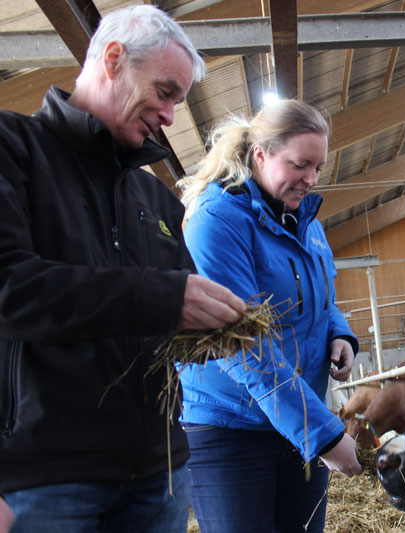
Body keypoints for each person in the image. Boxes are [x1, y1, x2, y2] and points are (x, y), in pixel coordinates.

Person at [0, 5, 247, 531]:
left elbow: (172, 307)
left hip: (158, 473)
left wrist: (215, 327)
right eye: (164, 93)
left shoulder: (152, 197)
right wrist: (164, 298)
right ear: (113, 59)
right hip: (44, 477)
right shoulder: (13, 150)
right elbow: (10, 287)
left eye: (178, 102)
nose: (170, 116)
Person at [177, 100, 363, 532]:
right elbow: (242, 345)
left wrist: (341, 335)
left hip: (299, 415)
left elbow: (325, 299)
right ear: (260, 153)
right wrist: (325, 436)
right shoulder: (216, 221)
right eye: (301, 164)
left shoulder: (306, 223)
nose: (312, 179)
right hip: (231, 425)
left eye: (319, 167)